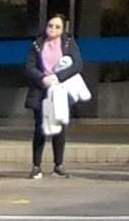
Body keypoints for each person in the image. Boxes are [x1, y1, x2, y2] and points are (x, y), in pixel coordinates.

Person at [23, 15, 85, 179]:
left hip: (60, 90)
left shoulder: (69, 43)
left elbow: (77, 64)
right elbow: (29, 66)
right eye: (51, 26)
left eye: (57, 27)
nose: (53, 29)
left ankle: (59, 165)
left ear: (63, 29)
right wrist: (42, 78)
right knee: (40, 129)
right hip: (41, 90)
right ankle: (36, 166)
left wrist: (59, 77)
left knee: (59, 128)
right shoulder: (37, 44)